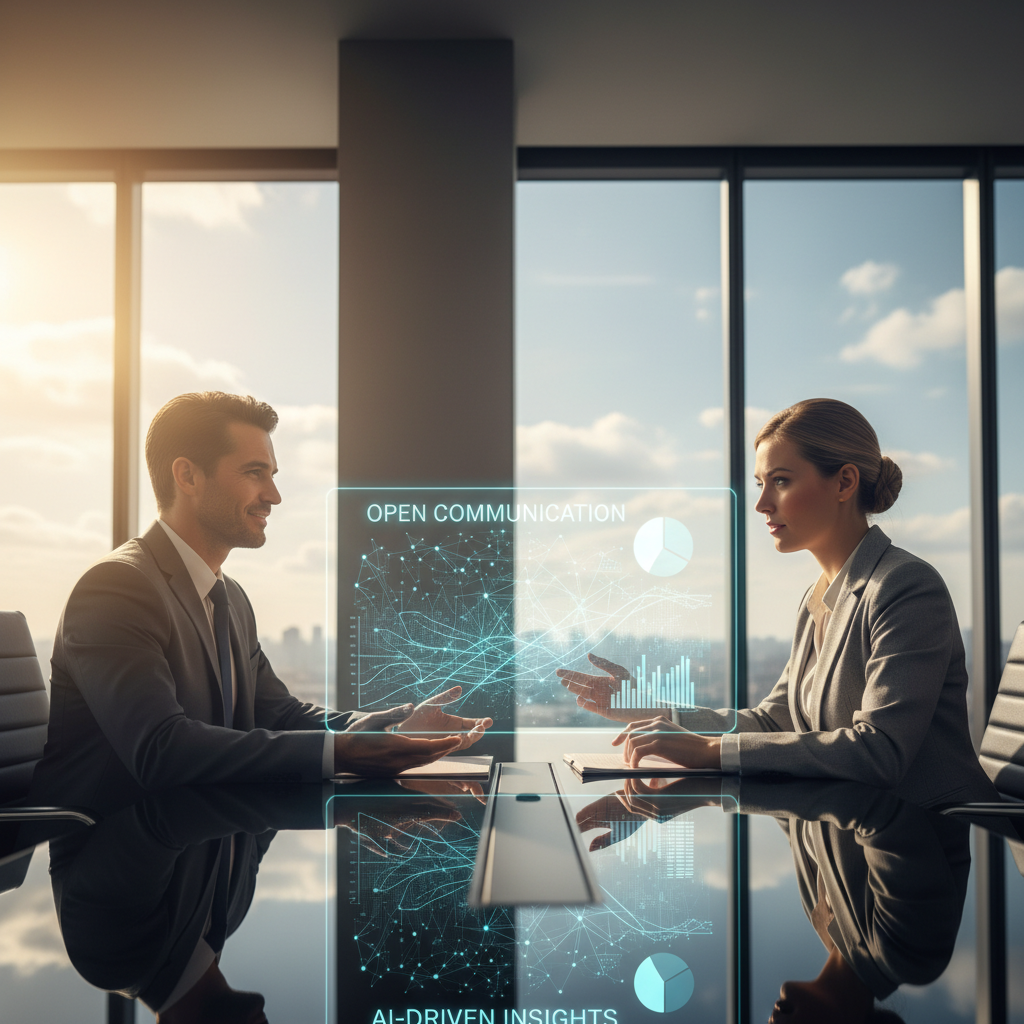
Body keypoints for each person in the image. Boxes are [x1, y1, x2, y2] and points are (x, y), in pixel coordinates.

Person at [32, 392, 491, 810]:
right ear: (187, 476)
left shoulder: (228, 595)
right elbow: (161, 749)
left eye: (271, 476)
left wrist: (382, 730)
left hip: (210, 852)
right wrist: (344, 752)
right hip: (131, 866)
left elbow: (279, 714)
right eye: (255, 474)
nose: (273, 496)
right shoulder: (116, 588)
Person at [558, 398, 995, 806]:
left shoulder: (905, 586)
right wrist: (658, 713)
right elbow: (775, 721)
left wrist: (712, 751)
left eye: (781, 481)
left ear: (844, 482)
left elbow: (879, 751)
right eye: (760, 483)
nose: (762, 504)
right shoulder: (819, 597)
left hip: (915, 843)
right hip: (841, 836)